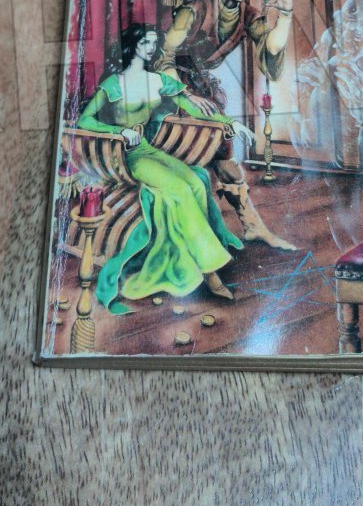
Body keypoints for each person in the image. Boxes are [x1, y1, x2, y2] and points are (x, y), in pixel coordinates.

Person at [77, 24, 248, 312]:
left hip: (147, 149)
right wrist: (118, 132)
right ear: (133, 44)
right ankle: (210, 273)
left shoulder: (157, 80)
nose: (151, 48)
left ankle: (193, 255)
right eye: (145, 42)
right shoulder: (114, 84)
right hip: (125, 158)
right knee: (180, 189)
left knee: (197, 183)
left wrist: (229, 123)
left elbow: (194, 110)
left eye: (154, 43)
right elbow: (85, 121)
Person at [155, 0, 296, 251]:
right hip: (170, 90)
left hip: (202, 92)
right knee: (178, 160)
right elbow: (163, 58)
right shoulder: (194, 10)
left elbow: (271, 48)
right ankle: (177, 237)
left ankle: (253, 226)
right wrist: (184, 94)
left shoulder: (248, 15)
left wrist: (284, 14)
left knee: (224, 154)